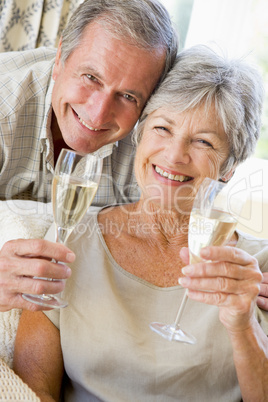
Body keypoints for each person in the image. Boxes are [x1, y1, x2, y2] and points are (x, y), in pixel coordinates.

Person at [14, 45, 268, 401]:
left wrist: (242, 324)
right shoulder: (70, 240)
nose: (175, 155)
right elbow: (31, 391)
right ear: (140, 135)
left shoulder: (257, 272)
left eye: (203, 142)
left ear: (229, 168)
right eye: (163, 128)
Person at [0, 0, 178, 311]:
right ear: (59, 59)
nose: (98, 115)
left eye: (127, 96)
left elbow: (177, 237)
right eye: (91, 78)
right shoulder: (4, 106)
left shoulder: (152, 145)